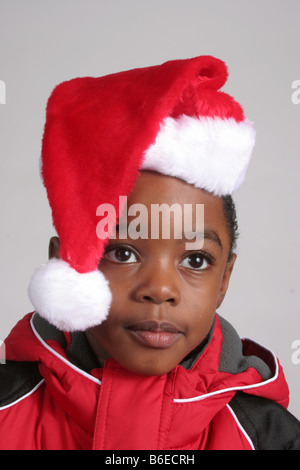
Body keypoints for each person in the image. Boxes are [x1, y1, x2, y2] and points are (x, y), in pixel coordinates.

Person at [0, 56, 299, 450]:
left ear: (224, 278)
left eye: (195, 260)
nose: (159, 289)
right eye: (122, 252)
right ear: (68, 263)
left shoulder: (270, 438)